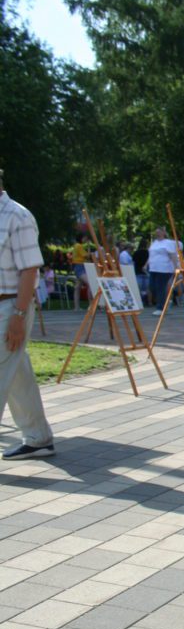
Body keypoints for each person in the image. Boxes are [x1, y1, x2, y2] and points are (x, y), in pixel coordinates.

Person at [0, 170, 55, 461]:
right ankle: (38, 438)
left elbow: (30, 269)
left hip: (9, 306)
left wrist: (19, 315)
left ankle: (37, 437)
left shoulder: (17, 216)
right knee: (16, 373)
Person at [146, 227, 178, 315]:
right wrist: (146, 264)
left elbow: (173, 255)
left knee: (160, 287)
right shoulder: (154, 243)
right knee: (151, 286)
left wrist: (176, 267)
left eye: (159, 232)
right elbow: (151, 255)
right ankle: (166, 302)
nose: (158, 234)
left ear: (164, 233)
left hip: (164, 269)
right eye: (156, 232)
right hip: (153, 268)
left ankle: (160, 308)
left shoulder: (168, 243)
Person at [70, 232, 90, 310]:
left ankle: (76, 307)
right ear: (82, 237)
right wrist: (88, 246)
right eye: (85, 238)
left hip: (77, 266)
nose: (86, 240)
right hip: (80, 266)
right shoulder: (79, 246)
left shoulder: (76, 245)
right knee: (89, 283)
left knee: (77, 287)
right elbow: (87, 256)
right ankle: (91, 304)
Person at [132, 239, 150, 305]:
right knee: (146, 288)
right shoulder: (148, 253)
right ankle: (147, 301)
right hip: (146, 271)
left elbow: (133, 262)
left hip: (138, 271)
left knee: (139, 288)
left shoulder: (136, 252)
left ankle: (139, 301)